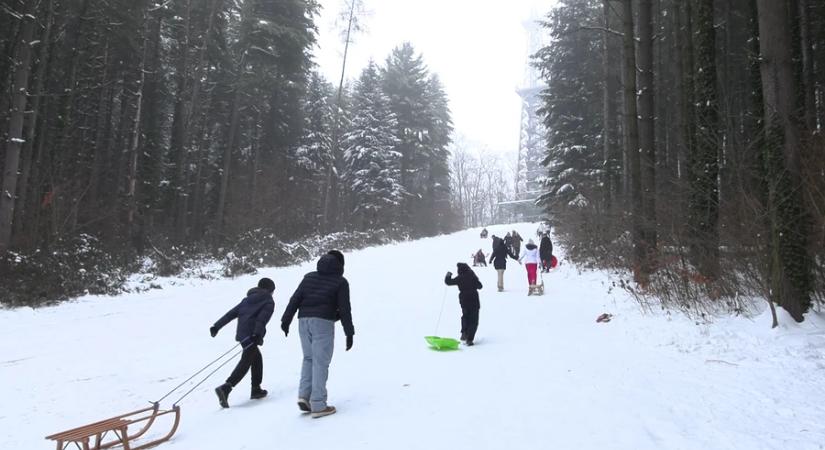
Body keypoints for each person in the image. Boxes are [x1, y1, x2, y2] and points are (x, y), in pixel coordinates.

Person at [280, 250, 354, 419]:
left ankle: (304, 396)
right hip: (323, 323)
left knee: (308, 358)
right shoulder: (340, 282)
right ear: (340, 265)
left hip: (303, 321)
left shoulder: (309, 277)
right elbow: (345, 309)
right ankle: (318, 404)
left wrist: (286, 320)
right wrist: (349, 333)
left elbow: (295, 299)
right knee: (320, 362)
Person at [211, 277, 276, 408]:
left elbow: (230, 314)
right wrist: (257, 334)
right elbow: (262, 319)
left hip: (242, 335)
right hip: (252, 335)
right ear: (270, 290)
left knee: (256, 359)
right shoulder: (268, 300)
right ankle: (226, 387)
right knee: (246, 361)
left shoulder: (247, 300)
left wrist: (216, 326)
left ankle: (256, 389)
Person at [444, 262, 483, 346]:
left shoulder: (460, 277)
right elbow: (480, 286)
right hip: (474, 299)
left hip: (464, 299)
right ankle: (470, 339)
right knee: (474, 320)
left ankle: (464, 332)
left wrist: (448, 275)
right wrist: (474, 276)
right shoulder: (472, 276)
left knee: (465, 316)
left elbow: (448, 282)